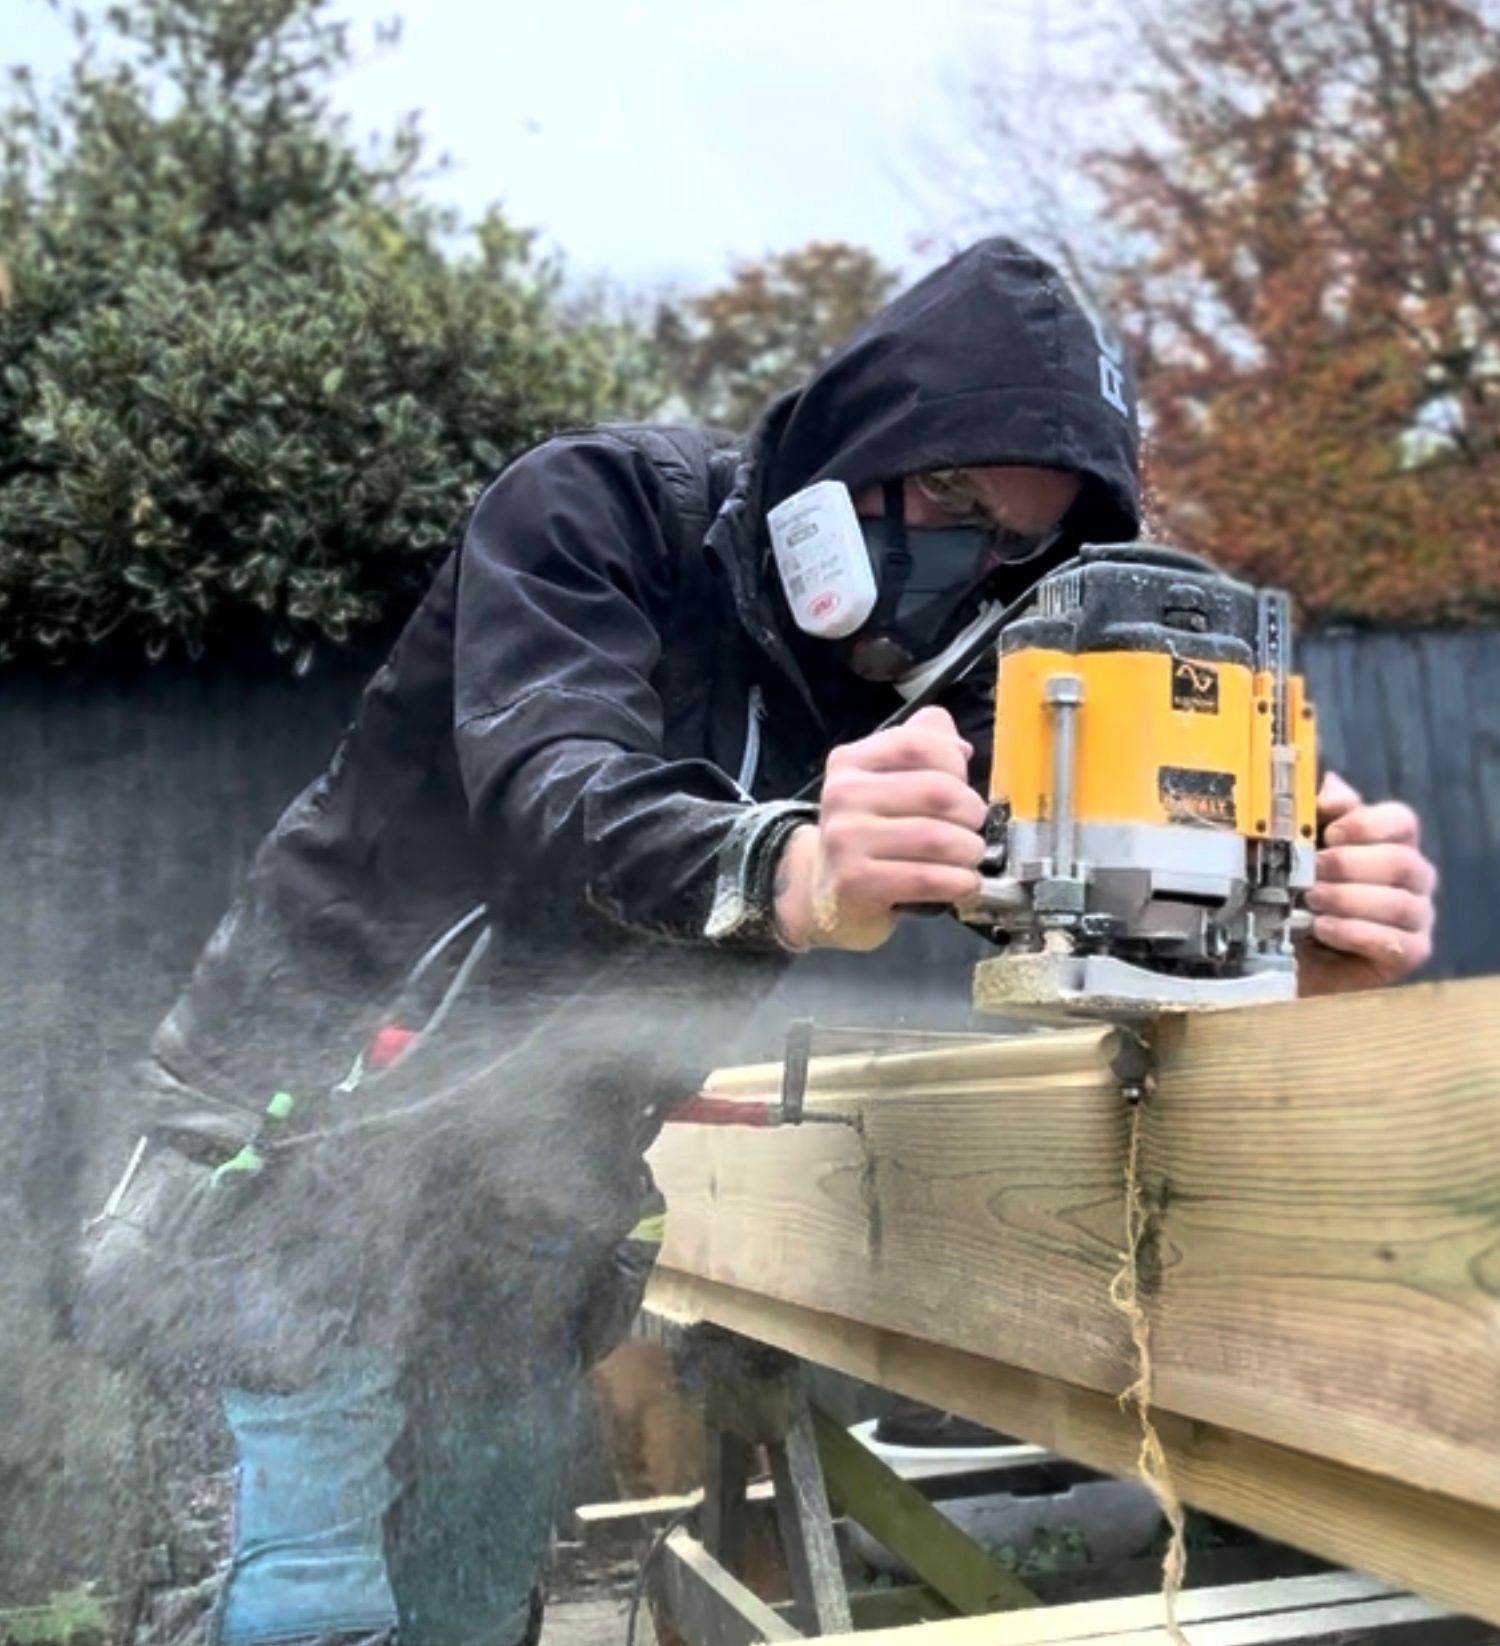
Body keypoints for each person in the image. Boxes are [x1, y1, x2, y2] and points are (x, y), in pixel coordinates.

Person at [79, 238, 1437, 1646]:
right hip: (299, 1164)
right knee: (298, 1605)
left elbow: (1067, 886)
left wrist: (1277, 924)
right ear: (848, 458)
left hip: (519, 1220)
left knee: (472, 1602)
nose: (972, 563)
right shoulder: (595, 517)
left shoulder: (924, 690)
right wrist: (781, 860)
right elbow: (558, 792)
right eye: (952, 496)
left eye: (1018, 542)